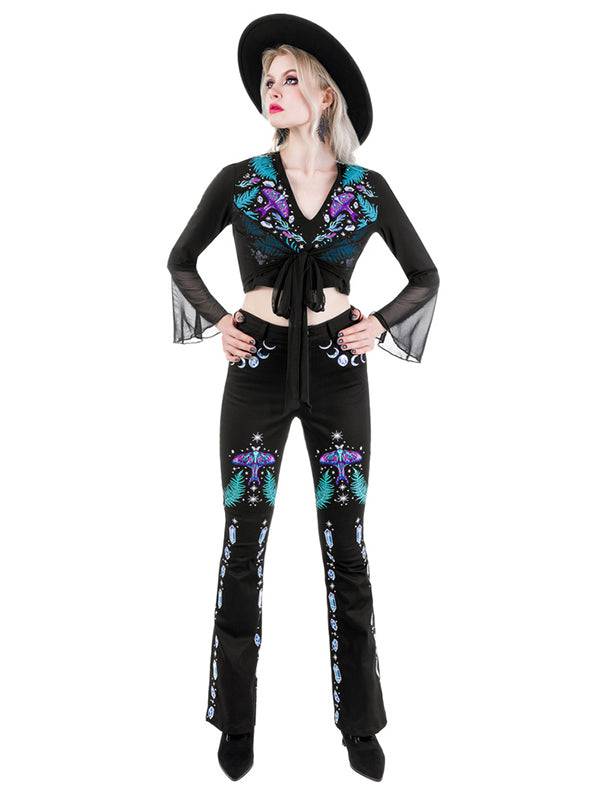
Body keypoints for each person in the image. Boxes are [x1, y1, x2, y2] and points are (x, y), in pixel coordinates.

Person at [166, 13, 440, 782]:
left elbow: (426, 275)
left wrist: (377, 323)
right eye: (267, 80)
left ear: (325, 96)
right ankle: (236, 719)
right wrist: (219, 322)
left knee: (346, 541)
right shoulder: (240, 180)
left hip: (336, 372)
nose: (274, 90)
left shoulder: (367, 189)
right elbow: (181, 259)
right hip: (256, 369)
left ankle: (360, 723)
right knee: (243, 538)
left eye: (291, 79)